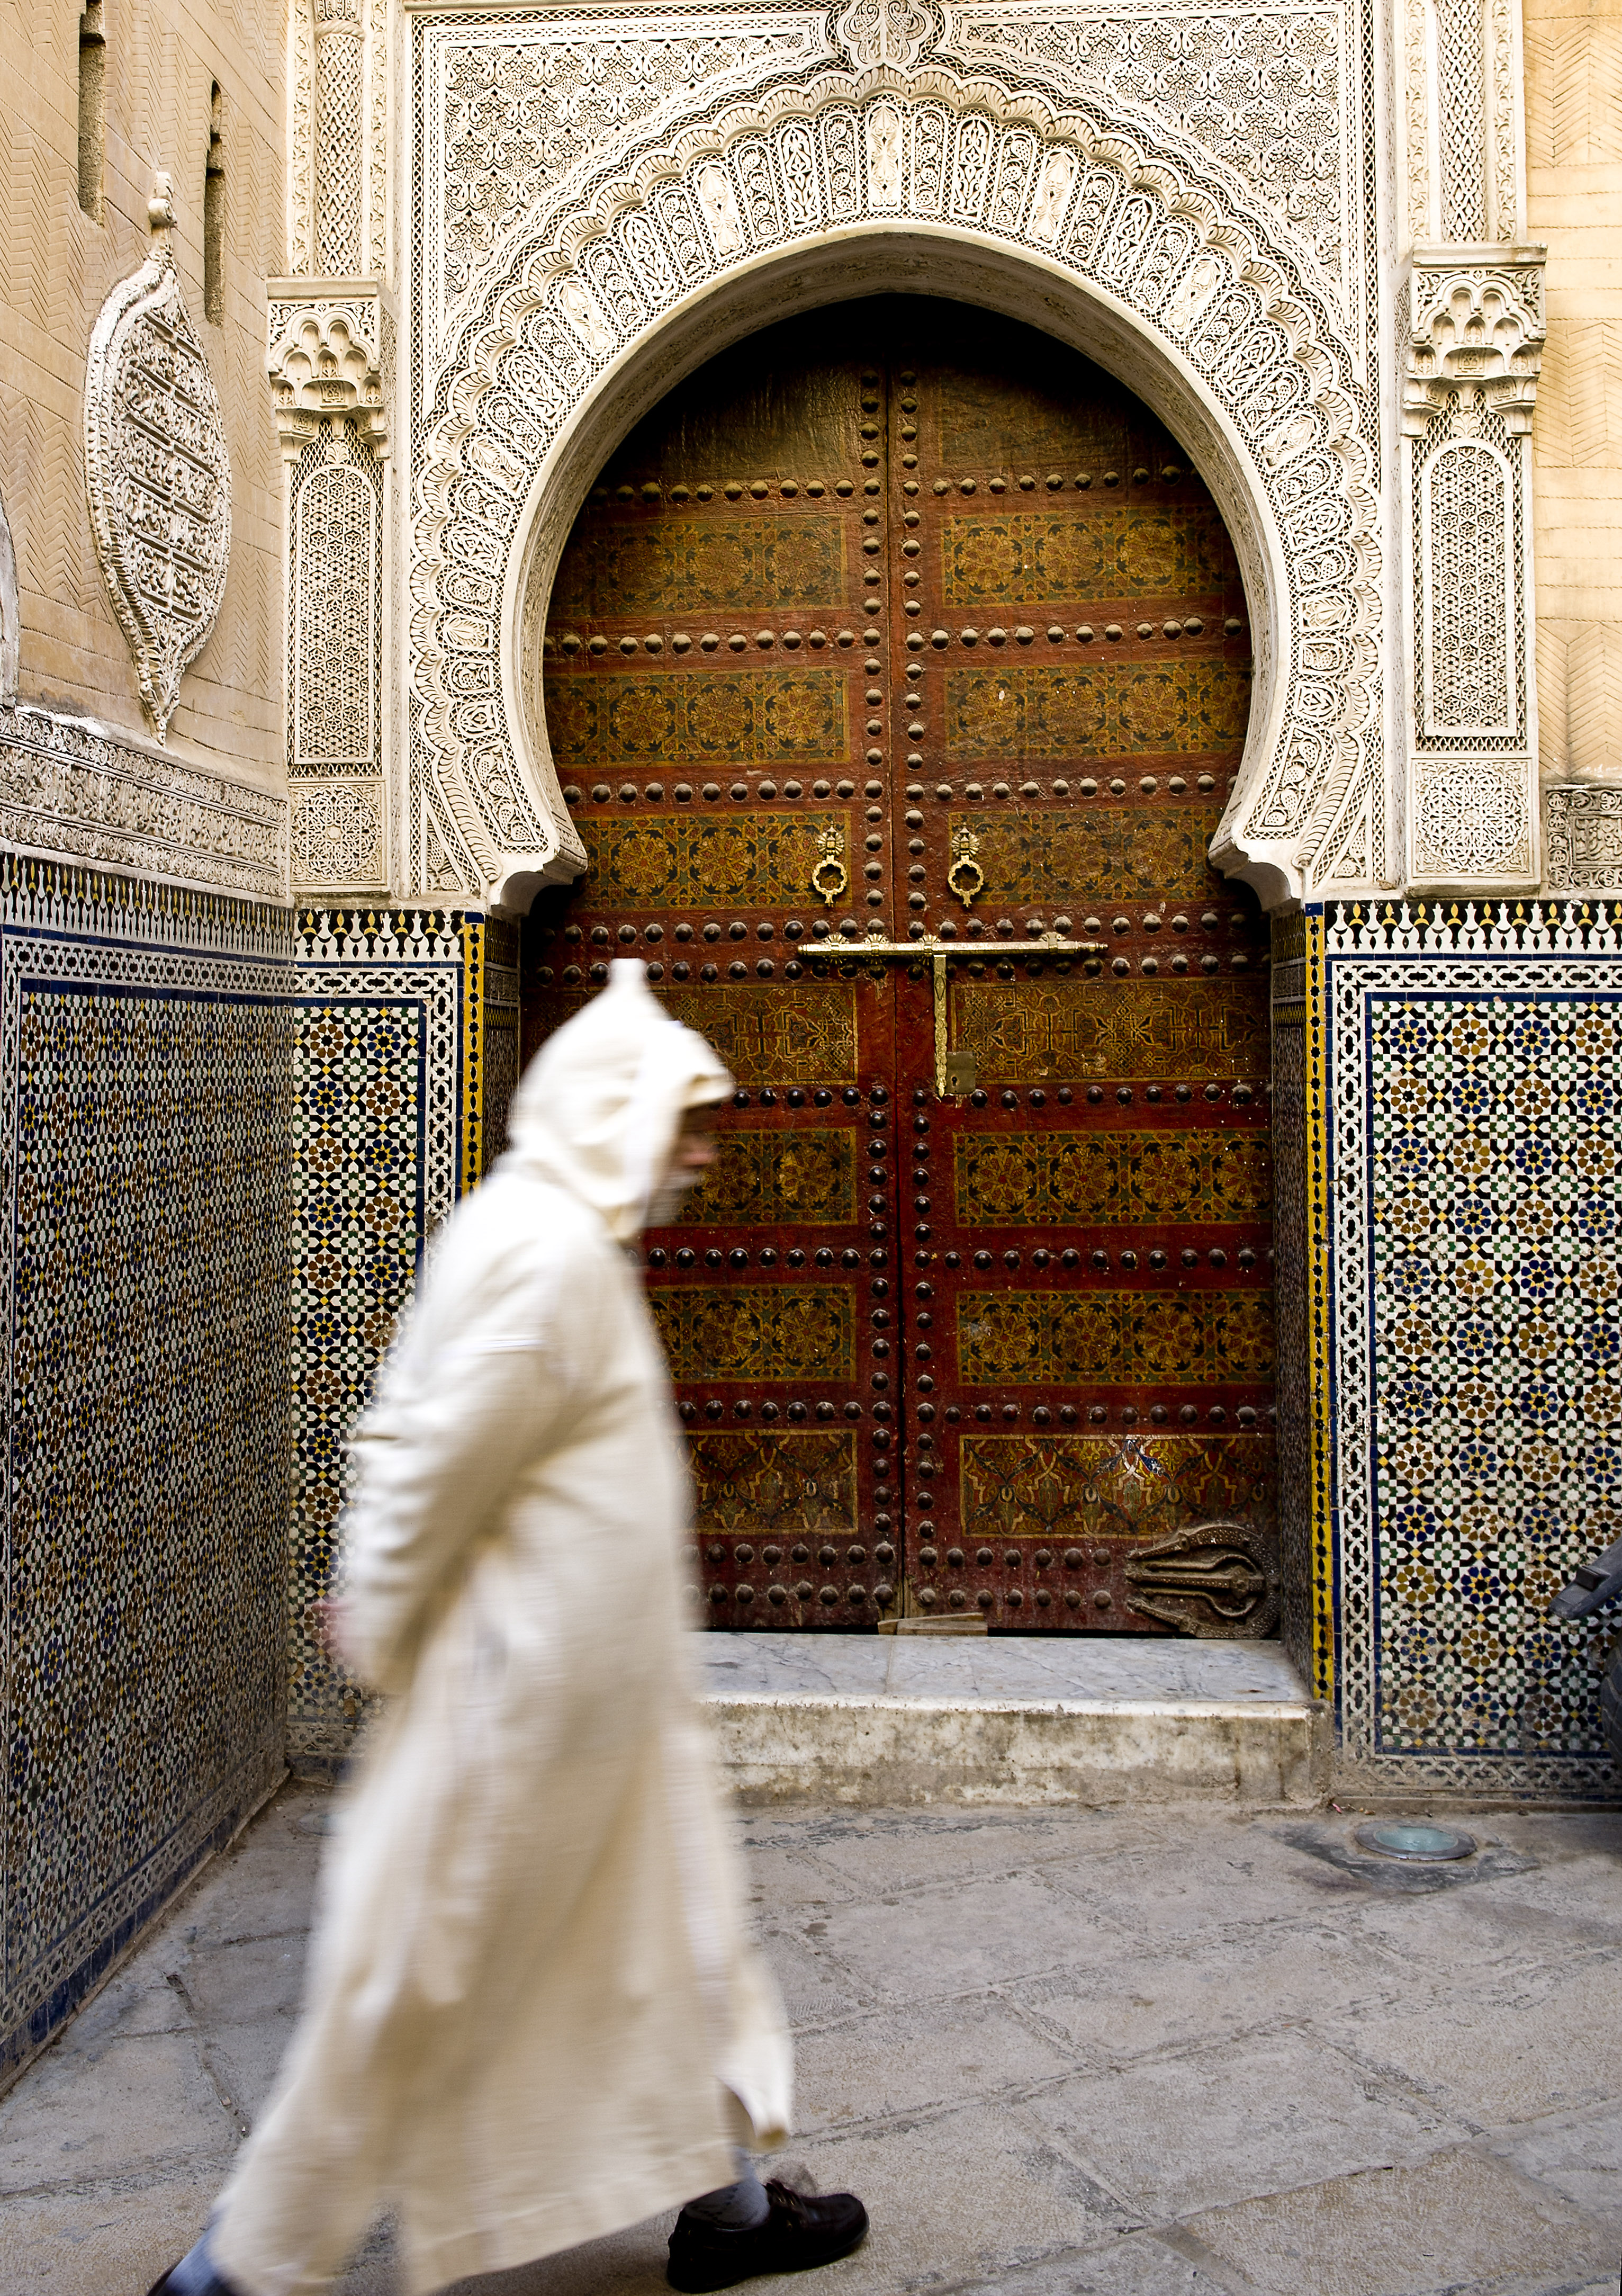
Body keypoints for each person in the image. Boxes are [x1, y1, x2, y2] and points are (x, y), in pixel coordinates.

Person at [149, 961, 868, 2296]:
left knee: (673, 1951)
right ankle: (231, 2272)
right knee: (410, 1997)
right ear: (611, 1115)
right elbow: (427, 1451)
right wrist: (378, 1596)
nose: (698, 1154)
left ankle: (734, 2209)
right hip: (517, 1725)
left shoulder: (564, 1243)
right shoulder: (537, 1253)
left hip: (600, 1721)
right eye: (679, 1122)